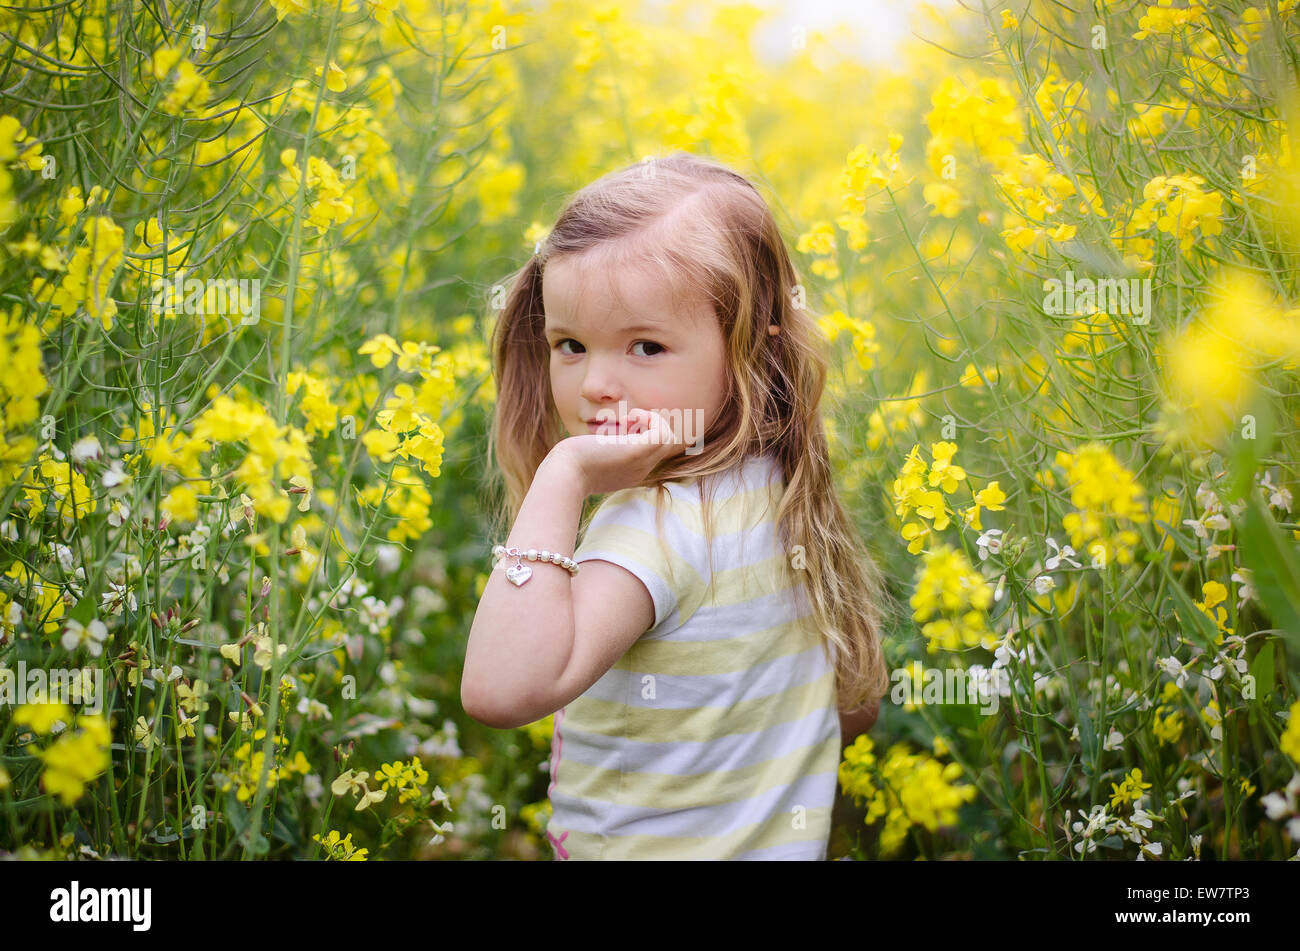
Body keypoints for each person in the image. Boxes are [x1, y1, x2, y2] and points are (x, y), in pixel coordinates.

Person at [462, 152, 894, 860]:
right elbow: (850, 709)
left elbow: (499, 689)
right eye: (570, 344)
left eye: (646, 346)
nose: (596, 382)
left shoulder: (650, 530)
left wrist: (562, 475)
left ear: (753, 346)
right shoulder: (783, 495)